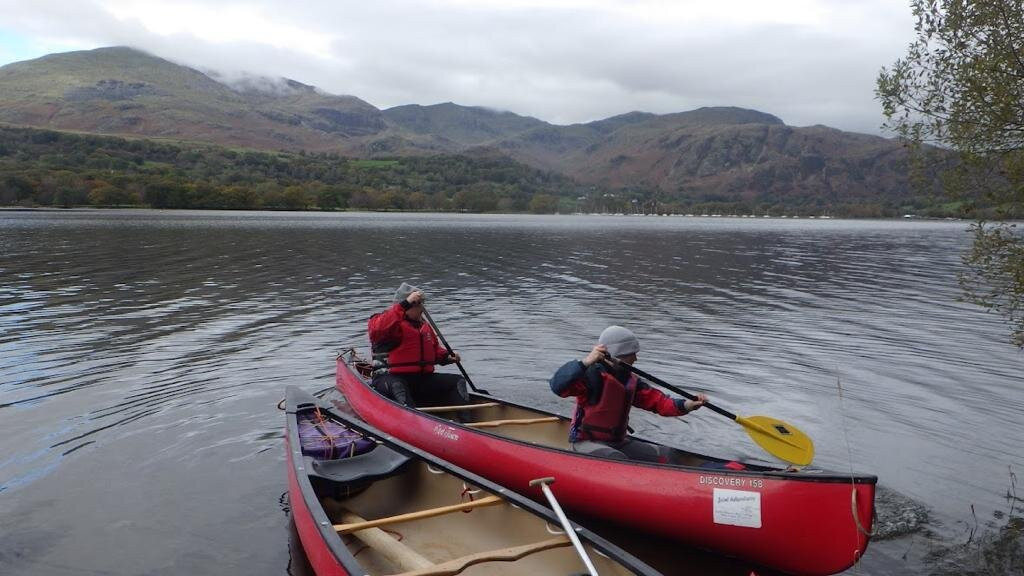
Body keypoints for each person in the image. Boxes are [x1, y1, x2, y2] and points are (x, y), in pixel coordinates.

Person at [549, 325, 707, 462]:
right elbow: (557, 386)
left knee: (667, 455)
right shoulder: (590, 377)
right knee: (615, 459)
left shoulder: (631, 381)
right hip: (586, 442)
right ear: (619, 355)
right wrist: (585, 362)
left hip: (617, 442)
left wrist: (688, 405)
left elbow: (659, 402)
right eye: (632, 354)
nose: (636, 359)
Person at [367, 283, 469, 409]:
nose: (422, 308)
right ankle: (412, 421)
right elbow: (378, 329)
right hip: (389, 378)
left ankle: (464, 422)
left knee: (457, 381)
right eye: (418, 304)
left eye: (422, 304)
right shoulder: (386, 322)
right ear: (406, 305)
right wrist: (406, 303)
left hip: (421, 379)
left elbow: (433, 350)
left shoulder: (423, 325)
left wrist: (446, 357)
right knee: (398, 386)